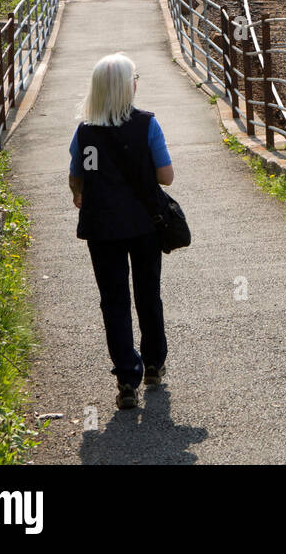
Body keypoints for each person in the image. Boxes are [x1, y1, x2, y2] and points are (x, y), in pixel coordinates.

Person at [68, 53, 174, 410]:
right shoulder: (147, 125)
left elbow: (78, 176)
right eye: (135, 78)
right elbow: (166, 177)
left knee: (113, 302)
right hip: (144, 223)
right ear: (127, 87)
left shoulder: (85, 132)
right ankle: (154, 363)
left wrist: (78, 193)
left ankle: (127, 378)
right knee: (148, 294)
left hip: (102, 227)